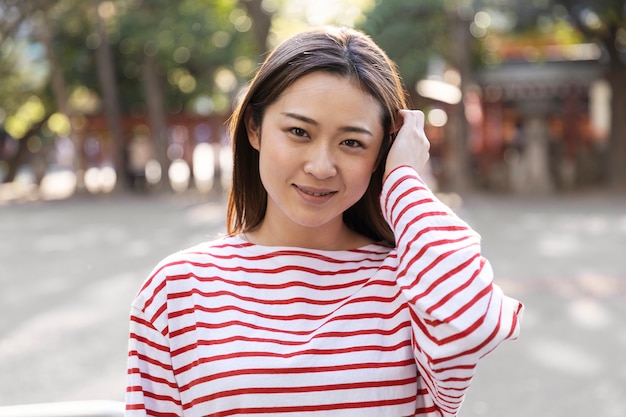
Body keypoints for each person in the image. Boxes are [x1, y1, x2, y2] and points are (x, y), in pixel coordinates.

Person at [125, 26, 523, 417]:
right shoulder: (178, 291)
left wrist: (404, 182)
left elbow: (475, 323)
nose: (320, 167)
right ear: (254, 128)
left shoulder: (414, 284)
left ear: (381, 153)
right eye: (299, 131)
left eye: (352, 142)